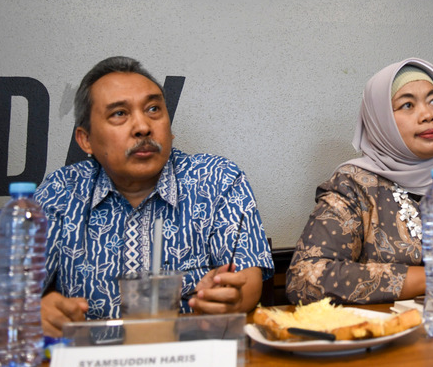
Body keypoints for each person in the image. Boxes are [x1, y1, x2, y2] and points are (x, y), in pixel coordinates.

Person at [35, 56, 273, 336]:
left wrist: (229, 296)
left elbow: (248, 279)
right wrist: (34, 311)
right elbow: (6, 302)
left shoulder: (217, 179)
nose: (143, 127)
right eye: (119, 114)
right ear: (85, 139)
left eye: (153, 109)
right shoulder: (60, 192)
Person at [287, 58, 433, 304]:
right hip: (392, 332)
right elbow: (305, 278)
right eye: (407, 105)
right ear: (380, 120)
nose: (427, 115)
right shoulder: (354, 185)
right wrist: (431, 279)